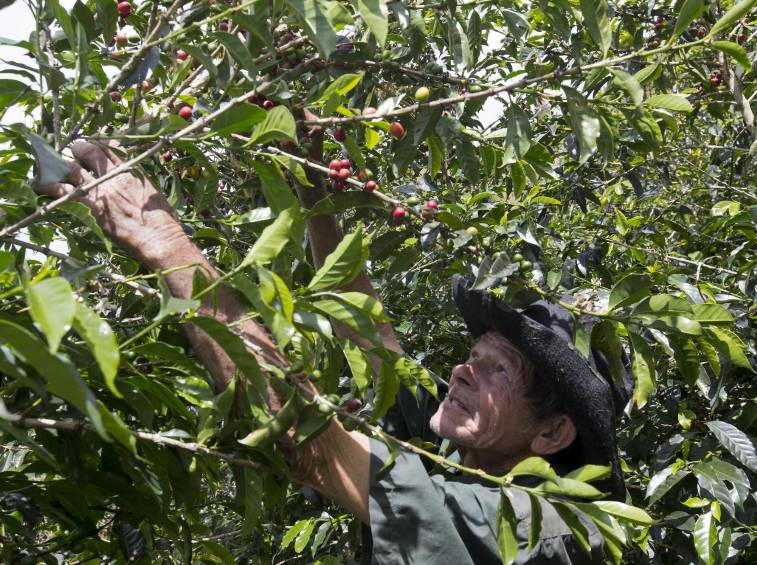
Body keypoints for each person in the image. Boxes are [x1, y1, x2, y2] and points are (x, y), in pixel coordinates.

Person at [36, 138, 631, 564]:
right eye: (472, 353)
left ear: (552, 434)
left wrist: (166, 246)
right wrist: (315, 186)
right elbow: (369, 336)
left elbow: (304, 438)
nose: (461, 370)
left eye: (498, 369)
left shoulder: (544, 528)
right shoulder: (464, 453)